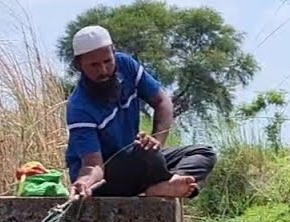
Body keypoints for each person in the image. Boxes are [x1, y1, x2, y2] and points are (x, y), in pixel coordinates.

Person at [64, 25, 217, 201]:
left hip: (140, 161)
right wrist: (83, 182)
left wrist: (156, 142)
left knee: (204, 153)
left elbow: (162, 102)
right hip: (108, 176)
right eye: (94, 65)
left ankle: (166, 184)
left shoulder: (126, 66)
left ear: (114, 52)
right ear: (78, 65)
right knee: (145, 155)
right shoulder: (79, 107)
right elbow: (93, 165)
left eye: (107, 61)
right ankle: (162, 182)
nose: (104, 70)